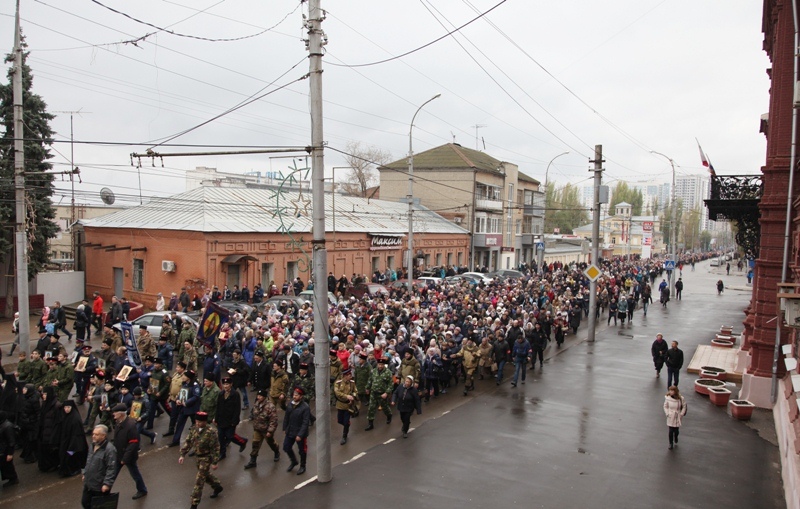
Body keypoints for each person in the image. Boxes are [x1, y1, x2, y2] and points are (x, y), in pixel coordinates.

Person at [178, 411, 223, 509]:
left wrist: (215, 462)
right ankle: (217, 486)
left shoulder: (211, 432)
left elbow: (215, 448)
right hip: (197, 457)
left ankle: (194, 503)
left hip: (206, 458)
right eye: (197, 421)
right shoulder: (194, 429)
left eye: (200, 422)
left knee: (199, 480)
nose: (198, 423)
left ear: (205, 422)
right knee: (204, 475)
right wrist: (182, 454)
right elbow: (188, 441)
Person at [111, 403, 148, 500]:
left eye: (115, 412)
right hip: (119, 454)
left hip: (127, 456)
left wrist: (125, 458)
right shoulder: (118, 422)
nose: (113, 414)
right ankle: (105, 491)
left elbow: (133, 443)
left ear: (121, 414)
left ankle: (142, 490)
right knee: (112, 474)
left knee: (135, 474)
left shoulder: (130, 426)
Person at [81, 425, 117, 509]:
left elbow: (111, 468)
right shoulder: (92, 445)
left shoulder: (110, 450)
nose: (93, 436)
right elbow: (88, 460)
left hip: (99, 486)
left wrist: (107, 484)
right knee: (85, 502)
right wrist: (84, 473)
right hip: (89, 484)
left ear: (103, 436)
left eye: (96, 434)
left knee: (99, 506)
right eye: (93, 434)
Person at [244, 389, 279, 469]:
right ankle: (253, 461)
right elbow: (254, 414)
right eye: (258, 395)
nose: (258, 397)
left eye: (260, 396)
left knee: (271, 443)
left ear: (264, 397)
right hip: (257, 429)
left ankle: (276, 451)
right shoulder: (256, 404)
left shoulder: (270, 406)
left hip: (266, 430)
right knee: (255, 444)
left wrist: (270, 431)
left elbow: (273, 420)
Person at [215, 377, 247, 461]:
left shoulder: (235, 394)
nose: (225, 386)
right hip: (221, 419)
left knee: (230, 436)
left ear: (231, 384)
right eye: (224, 384)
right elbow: (218, 407)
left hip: (230, 420)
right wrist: (216, 418)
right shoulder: (221, 394)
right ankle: (222, 453)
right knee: (221, 437)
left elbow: (237, 409)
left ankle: (242, 442)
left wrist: (234, 421)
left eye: (227, 384)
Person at [283, 387, 311, 475]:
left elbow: (305, 422)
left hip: (300, 433)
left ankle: (303, 466)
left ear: (301, 396)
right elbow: (286, 417)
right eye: (294, 395)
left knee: (302, 450)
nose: (294, 396)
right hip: (290, 430)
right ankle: (294, 461)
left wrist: (300, 435)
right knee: (286, 447)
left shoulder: (305, 407)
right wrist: (285, 428)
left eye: (296, 395)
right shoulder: (290, 404)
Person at [59, 400, 88, 478]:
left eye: (68, 407)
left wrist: (71, 447)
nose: (66, 409)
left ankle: (73, 470)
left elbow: (77, 435)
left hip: (74, 445)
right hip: (68, 442)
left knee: (70, 458)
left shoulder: (75, 419)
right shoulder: (66, 416)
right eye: (65, 407)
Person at [364, 358, 393, 430]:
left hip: (382, 394)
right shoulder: (373, 371)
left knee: (385, 407)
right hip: (373, 392)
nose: (380, 366)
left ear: (384, 365)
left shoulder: (388, 372)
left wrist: (386, 393)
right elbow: (370, 380)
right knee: (371, 408)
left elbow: (390, 384)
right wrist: (367, 388)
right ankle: (370, 424)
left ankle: (389, 415)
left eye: (382, 364)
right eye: (379, 364)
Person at [333, 368, 358, 445]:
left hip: (348, 405)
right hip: (340, 405)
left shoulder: (352, 383)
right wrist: (346, 396)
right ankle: (346, 425)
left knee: (346, 422)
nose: (351, 376)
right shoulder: (338, 383)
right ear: (345, 376)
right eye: (349, 375)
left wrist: (353, 396)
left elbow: (355, 391)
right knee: (340, 420)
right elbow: (337, 393)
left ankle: (344, 436)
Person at [663, 385, 687, 450]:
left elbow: (684, 406)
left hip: (677, 416)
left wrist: (681, 414)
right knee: (670, 430)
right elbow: (665, 406)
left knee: (676, 430)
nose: (670, 392)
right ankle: (670, 443)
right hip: (671, 416)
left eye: (672, 391)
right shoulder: (667, 398)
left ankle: (676, 437)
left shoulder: (681, 398)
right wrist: (667, 413)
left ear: (675, 391)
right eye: (670, 390)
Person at [0, 411, 18, 486]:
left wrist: (10, 453)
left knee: (7, 465)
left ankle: (13, 479)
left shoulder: (7, 426)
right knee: (5, 465)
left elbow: (11, 441)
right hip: (3, 449)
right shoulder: (4, 425)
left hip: (5, 450)